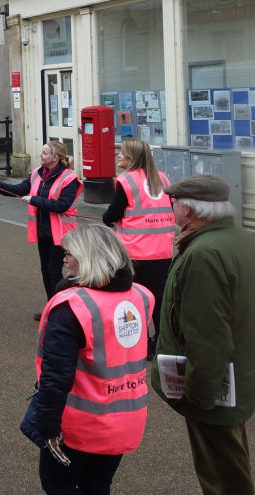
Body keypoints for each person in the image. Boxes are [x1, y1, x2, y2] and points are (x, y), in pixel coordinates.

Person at [150, 174, 255, 495]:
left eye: (174, 203)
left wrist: (202, 395)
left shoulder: (204, 253)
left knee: (222, 476)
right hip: (242, 371)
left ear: (191, 211)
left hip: (216, 386)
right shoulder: (242, 238)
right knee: (231, 459)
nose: (171, 207)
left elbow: (207, 335)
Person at [34, 224, 153, 495]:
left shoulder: (71, 305)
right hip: (127, 418)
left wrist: (48, 426)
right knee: (98, 485)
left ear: (88, 257)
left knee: (58, 484)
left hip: (81, 425)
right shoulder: (142, 296)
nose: (64, 259)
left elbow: (56, 376)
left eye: (69, 253)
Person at [0, 141, 81, 319]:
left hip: (61, 233)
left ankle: (62, 309)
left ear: (55, 158)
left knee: (55, 271)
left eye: (45, 153)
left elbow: (62, 205)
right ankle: (52, 305)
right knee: (45, 270)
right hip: (43, 231)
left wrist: (34, 200)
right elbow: (20, 189)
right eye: (42, 152)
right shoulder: (38, 173)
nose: (40, 155)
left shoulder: (69, 179)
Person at [102, 139, 174, 359]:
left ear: (131, 158)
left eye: (122, 154)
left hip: (135, 251)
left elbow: (113, 214)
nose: (118, 157)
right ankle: (161, 342)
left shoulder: (126, 181)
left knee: (135, 300)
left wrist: (107, 219)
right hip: (163, 249)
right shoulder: (162, 178)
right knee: (159, 299)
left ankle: (140, 343)